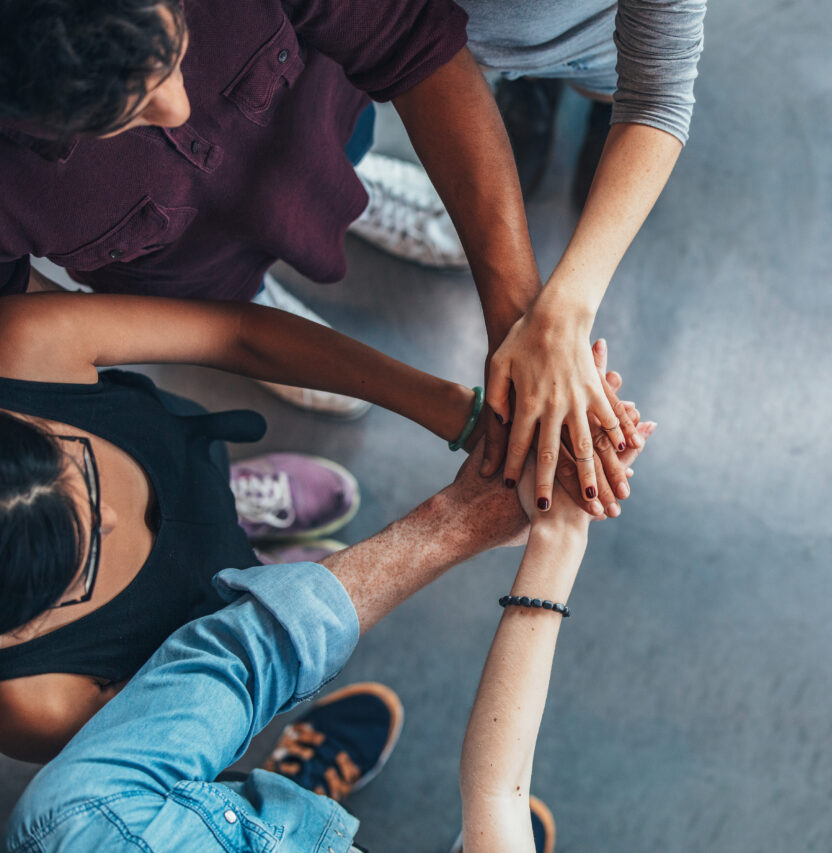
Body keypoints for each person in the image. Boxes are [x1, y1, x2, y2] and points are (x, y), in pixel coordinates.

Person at [0, 0, 645, 511]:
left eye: (176, 46)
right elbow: (203, 333)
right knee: (223, 298)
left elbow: (409, 45)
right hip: (182, 275)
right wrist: (459, 412)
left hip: (315, 117)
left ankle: (354, 192)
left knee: (344, 154)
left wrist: (519, 322)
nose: (179, 105)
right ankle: (266, 293)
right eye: (124, 112)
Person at [0, 289, 637, 763]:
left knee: (204, 490)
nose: (109, 512)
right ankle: (260, 585)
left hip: (184, 461)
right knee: (247, 617)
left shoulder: (23, 347)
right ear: (18, 630)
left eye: (69, 466)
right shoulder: (39, 703)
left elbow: (237, 332)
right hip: (199, 624)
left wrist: (460, 416)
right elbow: (226, 686)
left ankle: (241, 514)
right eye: (79, 561)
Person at [3, 417, 654, 852]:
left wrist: (536, 533)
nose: (110, 516)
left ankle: (291, 795)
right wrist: (555, 533)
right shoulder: (74, 817)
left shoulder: (82, 818)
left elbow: (495, 796)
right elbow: (493, 796)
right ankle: (293, 797)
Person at [352, 0, 706, 504]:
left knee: (609, 87)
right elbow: (413, 39)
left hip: (596, 47)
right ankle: (532, 96)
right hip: (470, 51)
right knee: (510, 90)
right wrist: (527, 327)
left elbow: (656, 94)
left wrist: (562, 314)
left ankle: (595, 110)